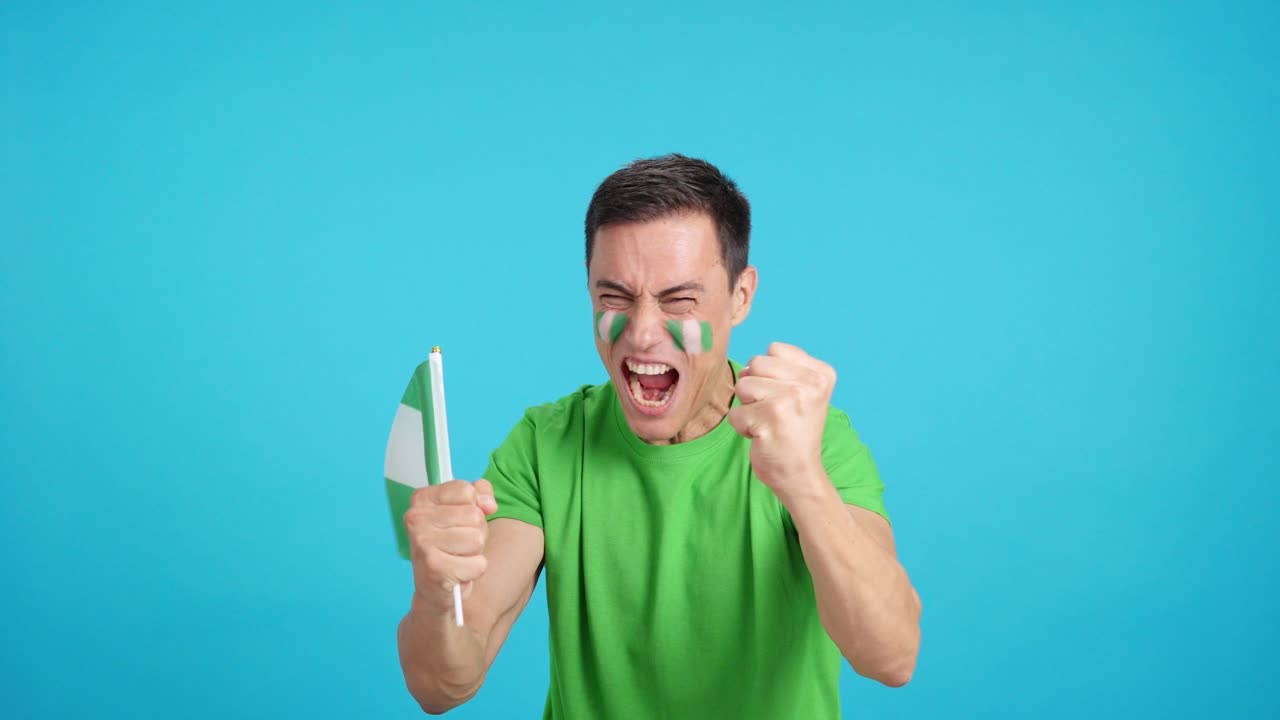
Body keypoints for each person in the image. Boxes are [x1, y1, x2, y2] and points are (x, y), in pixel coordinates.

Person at [396, 154, 922, 718]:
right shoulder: (545, 445)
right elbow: (444, 684)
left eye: (679, 300)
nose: (643, 333)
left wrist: (802, 481)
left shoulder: (809, 436)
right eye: (616, 296)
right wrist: (434, 595)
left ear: (740, 297)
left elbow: (891, 657)